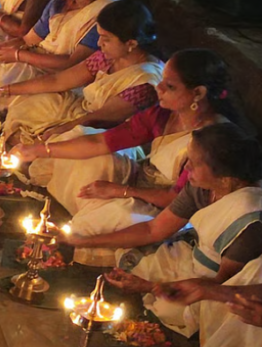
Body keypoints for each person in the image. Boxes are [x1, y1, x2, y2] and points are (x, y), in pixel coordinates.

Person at [66, 124, 262, 336]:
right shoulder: (205, 186)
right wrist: (85, 240)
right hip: (199, 260)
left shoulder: (250, 218)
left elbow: (221, 286)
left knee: (172, 307)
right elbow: (153, 230)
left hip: (236, 287)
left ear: (225, 178)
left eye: (194, 164)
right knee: (132, 258)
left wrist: (149, 286)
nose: (186, 167)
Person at [12, 49, 233, 265]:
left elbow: (177, 200)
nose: (159, 88)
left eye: (170, 86)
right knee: (84, 139)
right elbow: (102, 142)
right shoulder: (162, 114)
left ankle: (85, 234)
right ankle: (85, 218)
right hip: (137, 179)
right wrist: (40, 150)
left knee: (119, 214)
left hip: (166, 211)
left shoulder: (210, 142)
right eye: (163, 80)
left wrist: (122, 191)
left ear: (199, 93)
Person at [0, 0, 163, 143]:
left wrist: (62, 128)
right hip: (82, 111)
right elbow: (58, 81)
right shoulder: (107, 57)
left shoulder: (145, 81)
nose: (99, 44)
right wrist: (4, 90)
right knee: (30, 104)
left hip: (104, 133)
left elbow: (101, 118)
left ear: (131, 43)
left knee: (67, 138)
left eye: (106, 39)